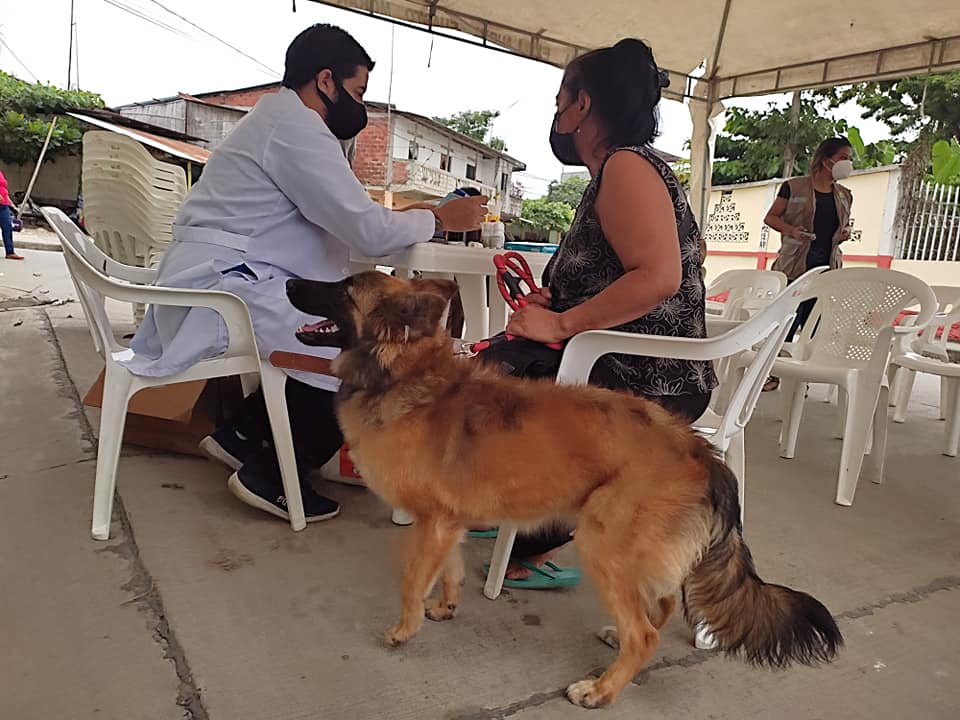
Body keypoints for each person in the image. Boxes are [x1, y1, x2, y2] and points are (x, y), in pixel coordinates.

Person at [124, 24, 487, 522]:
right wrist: (442, 219)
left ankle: (241, 438)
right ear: (325, 81)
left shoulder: (280, 122)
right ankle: (273, 477)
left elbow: (344, 215)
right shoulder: (297, 129)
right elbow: (367, 232)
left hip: (222, 279)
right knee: (363, 351)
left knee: (327, 329)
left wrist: (407, 218)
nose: (360, 105)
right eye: (357, 91)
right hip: (224, 287)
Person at [473, 38, 716, 588]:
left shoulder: (627, 167)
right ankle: (517, 517)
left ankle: (530, 536)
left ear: (582, 105)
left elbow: (658, 277)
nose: (557, 114)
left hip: (648, 378)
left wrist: (561, 323)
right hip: (622, 362)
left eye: (561, 102)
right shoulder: (618, 171)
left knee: (482, 387)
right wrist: (553, 303)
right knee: (487, 377)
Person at [761, 137, 854, 391]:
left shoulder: (845, 195)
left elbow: (842, 226)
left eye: (849, 159)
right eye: (843, 158)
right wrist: (791, 230)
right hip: (794, 265)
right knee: (786, 322)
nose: (848, 163)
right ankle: (772, 373)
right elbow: (771, 217)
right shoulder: (793, 187)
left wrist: (844, 234)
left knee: (815, 324)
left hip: (827, 268)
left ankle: (801, 377)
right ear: (826, 160)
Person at [1, 169, 24, 260]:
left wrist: (12, 204)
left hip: (3, 205)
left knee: (7, 227)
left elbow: (4, 190)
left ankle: (10, 252)